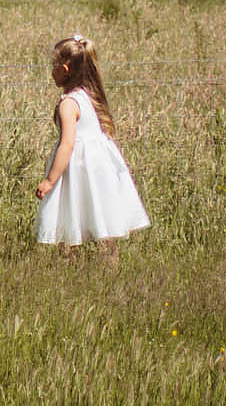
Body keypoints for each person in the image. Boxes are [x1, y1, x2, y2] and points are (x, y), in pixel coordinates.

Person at [34, 33, 149, 260]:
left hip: (77, 168)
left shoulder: (68, 104)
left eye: (53, 66)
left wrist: (50, 180)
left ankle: (68, 261)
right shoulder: (88, 96)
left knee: (69, 212)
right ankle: (109, 264)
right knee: (101, 216)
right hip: (97, 167)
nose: (51, 71)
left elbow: (67, 144)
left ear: (65, 70)